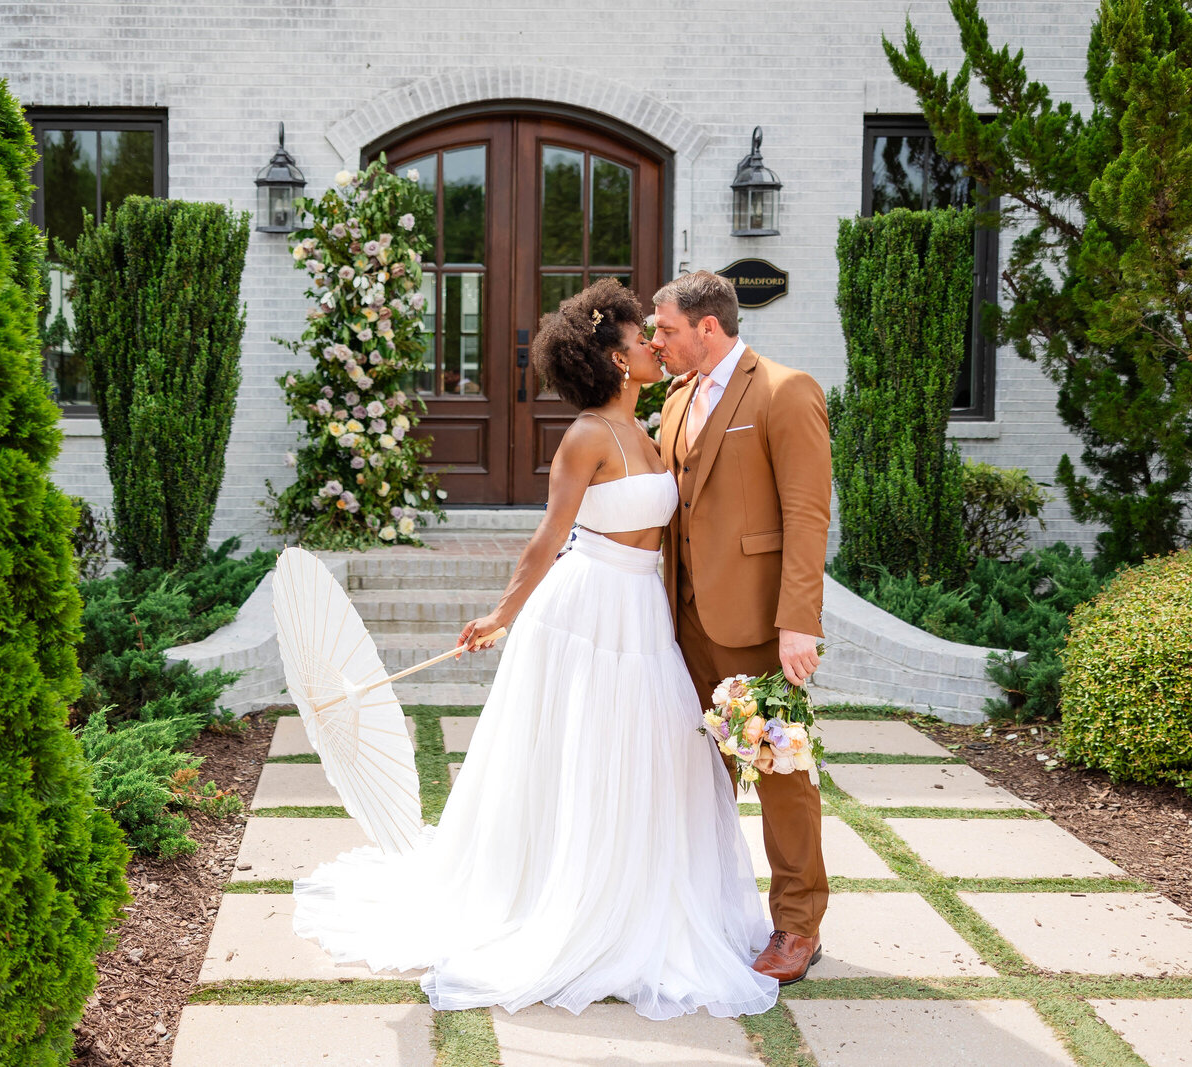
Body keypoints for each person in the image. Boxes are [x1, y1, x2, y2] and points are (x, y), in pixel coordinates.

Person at [292, 278, 778, 1020]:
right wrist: (500, 615)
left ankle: (637, 894)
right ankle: (572, 902)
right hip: (584, 614)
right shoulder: (585, 437)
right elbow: (549, 539)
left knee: (648, 755)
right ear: (614, 359)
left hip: (643, 612)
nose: (652, 341)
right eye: (637, 336)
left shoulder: (651, 428)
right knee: (582, 754)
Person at [650, 270, 832, 985]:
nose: (655, 342)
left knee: (781, 770)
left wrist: (798, 622)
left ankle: (797, 923)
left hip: (757, 621)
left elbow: (807, 514)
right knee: (698, 771)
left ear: (707, 327)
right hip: (682, 616)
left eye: (664, 330)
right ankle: (711, 910)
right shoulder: (674, 396)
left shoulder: (785, 391)